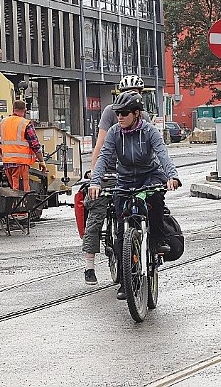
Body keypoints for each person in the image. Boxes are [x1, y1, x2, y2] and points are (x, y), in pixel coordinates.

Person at [88, 91, 181, 300]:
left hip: (149, 176)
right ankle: (125, 280)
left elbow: (162, 153)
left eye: (124, 113)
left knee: (156, 202)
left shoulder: (149, 131)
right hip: (125, 180)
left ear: (137, 114)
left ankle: (157, 241)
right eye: (118, 113)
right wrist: (95, 181)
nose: (119, 116)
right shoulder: (114, 132)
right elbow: (104, 157)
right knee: (122, 233)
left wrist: (172, 176)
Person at [79, 74, 149, 286]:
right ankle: (89, 265)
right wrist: (94, 176)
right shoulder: (111, 112)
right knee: (97, 210)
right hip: (110, 170)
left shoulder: (143, 115)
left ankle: (148, 251)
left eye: (136, 94)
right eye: (127, 93)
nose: (131, 98)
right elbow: (101, 144)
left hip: (132, 172)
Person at [0, 100, 48, 191]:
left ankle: (14, 204)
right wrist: (42, 162)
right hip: (21, 163)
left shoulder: (3, 122)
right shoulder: (26, 123)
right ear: (25, 110)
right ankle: (22, 204)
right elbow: (35, 144)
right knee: (23, 191)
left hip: (7, 163)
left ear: (13, 109)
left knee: (14, 189)